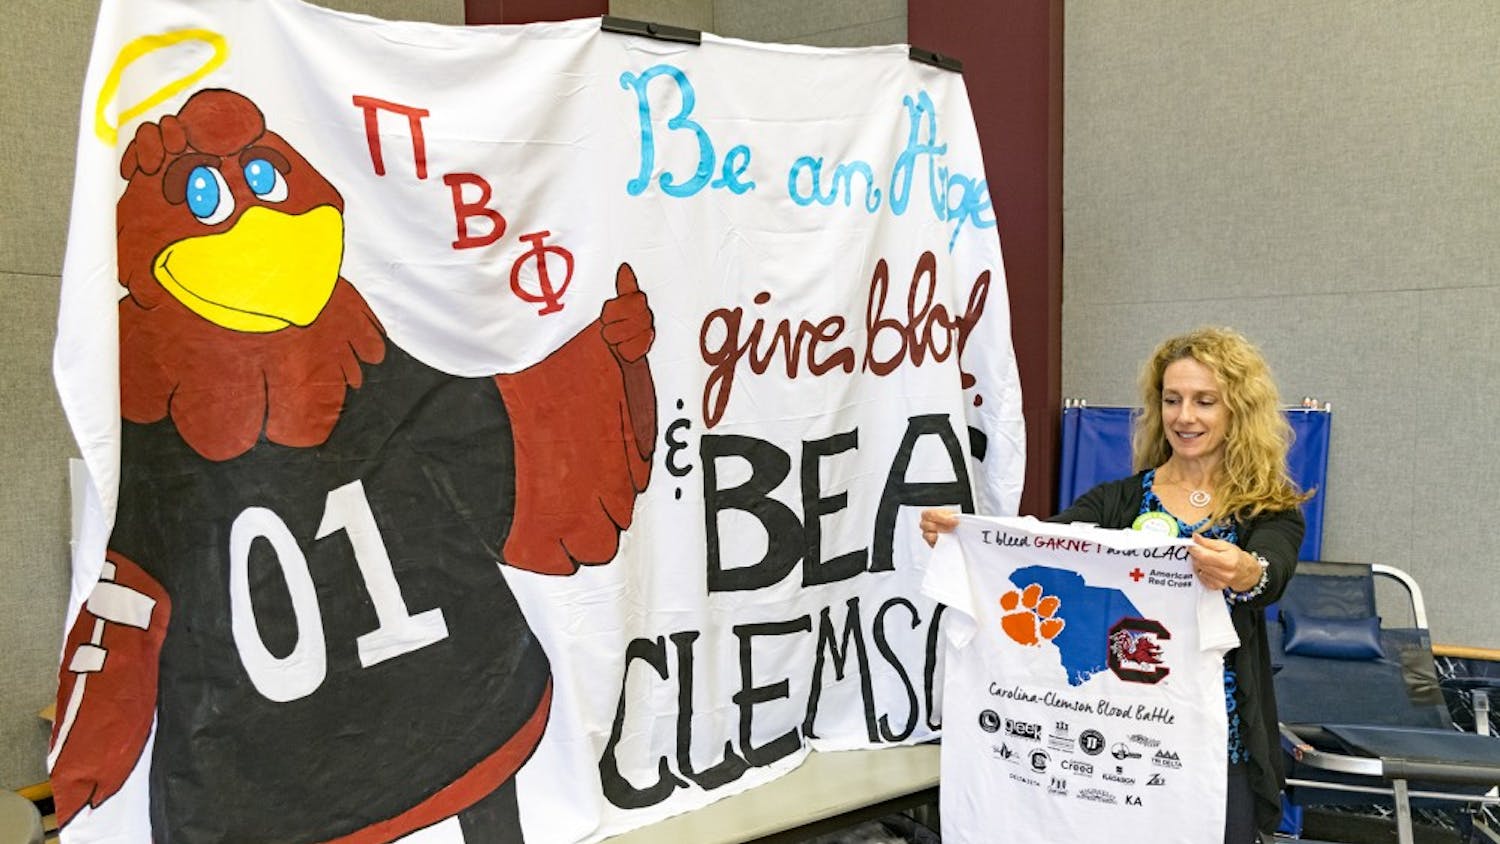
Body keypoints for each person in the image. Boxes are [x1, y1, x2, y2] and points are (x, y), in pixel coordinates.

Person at [920, 326, 1309, 844]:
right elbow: (1039, 547)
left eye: (1204, 401)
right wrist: (967, 539)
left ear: (1238, 409)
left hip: (1219, 743)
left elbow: (1271, 570)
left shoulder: (1268, 506)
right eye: (1172, 399)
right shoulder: (1117, 500)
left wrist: (1244, 571)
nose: (1184, 417)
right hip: (1117, 738)